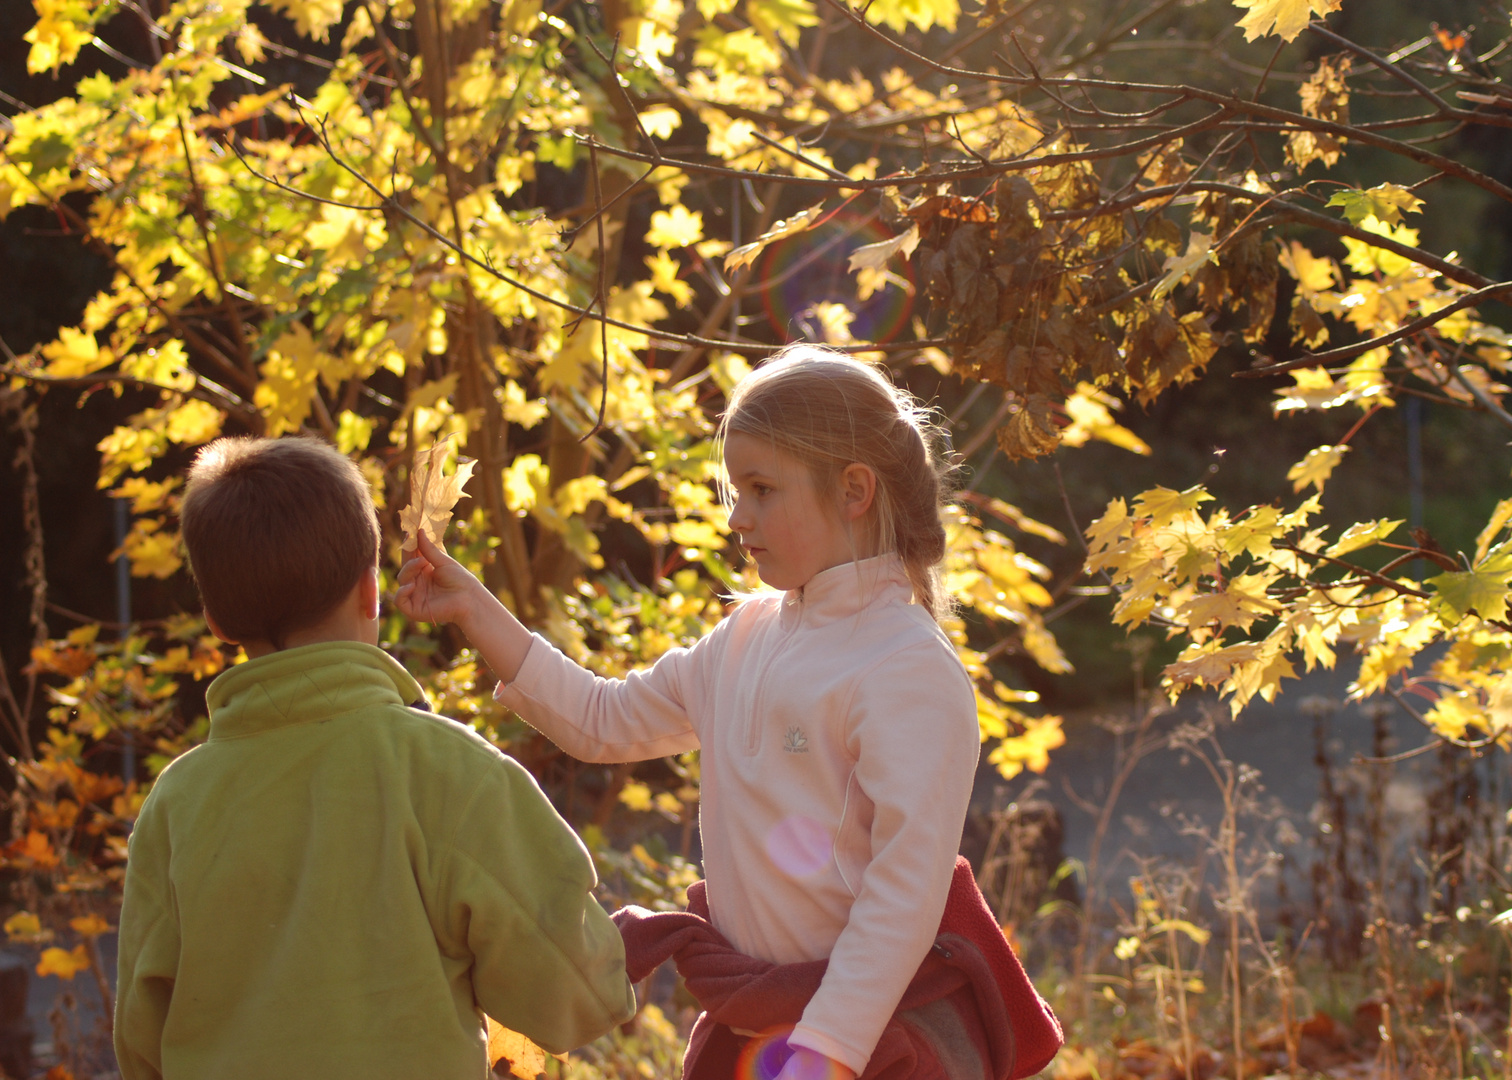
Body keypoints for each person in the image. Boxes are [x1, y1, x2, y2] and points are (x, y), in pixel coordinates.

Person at [397, 346, 985, 1079]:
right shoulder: (743, 636)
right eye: (736, 489)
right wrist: (472, 608)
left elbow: (907, 890)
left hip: (866, 1039)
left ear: (854, 490)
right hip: (755, 1025)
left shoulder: (907, 667)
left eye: (762, 488)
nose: (737, 516)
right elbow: (600, 720)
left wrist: (828, 1051)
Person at [114, 436, 636, 1080]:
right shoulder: (451, 774)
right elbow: (575, 999)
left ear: (216, 621)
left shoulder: (174, 805)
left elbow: (141, 1043)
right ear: (372, 592)